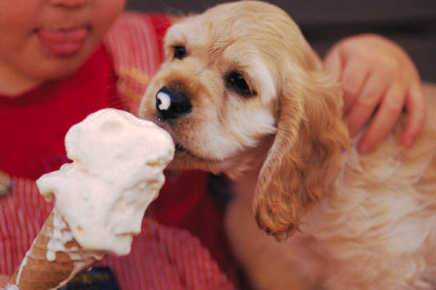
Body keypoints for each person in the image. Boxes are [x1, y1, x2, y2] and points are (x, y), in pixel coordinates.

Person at [0, 0, 425, 288]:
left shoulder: (146, 41)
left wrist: (377, 56)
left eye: (239, 83)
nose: (168, 95)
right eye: (180, 51)